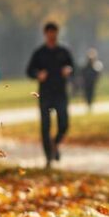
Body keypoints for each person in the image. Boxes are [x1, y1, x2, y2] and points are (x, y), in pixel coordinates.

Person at [26, 21, 74, 168]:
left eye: (54, 33)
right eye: (49, 33)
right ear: (45, 34)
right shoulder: (39, 53)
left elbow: (74, 68)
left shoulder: (64, 51)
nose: (52, 35)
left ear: (57, 33)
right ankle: (48, 157)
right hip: (45, 94)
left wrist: (69, 70)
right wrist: (38, 74)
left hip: (60, 93)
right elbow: (29, 71)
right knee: (45, 126)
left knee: (64, 124)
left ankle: (55, 143)